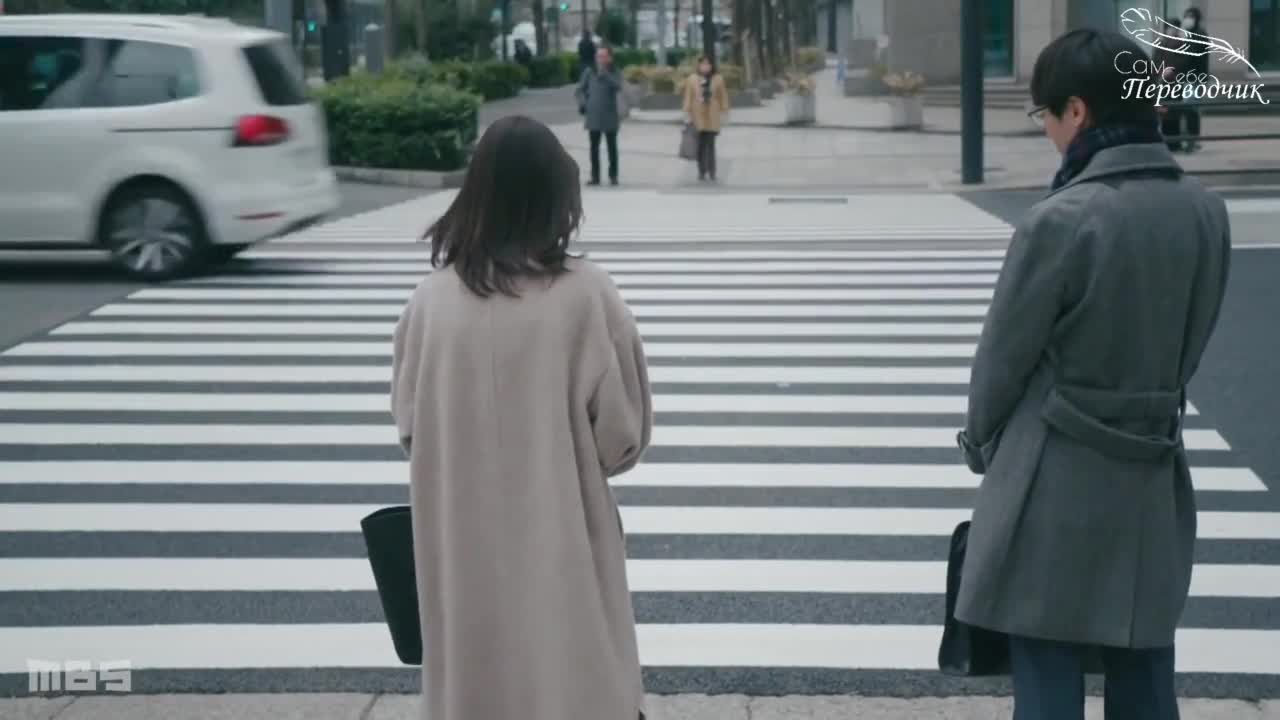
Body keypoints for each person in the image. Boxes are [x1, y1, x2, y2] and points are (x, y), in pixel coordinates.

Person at [955, 29, 1230, 720]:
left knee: (1046, 658)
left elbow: (1003, 360)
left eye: (1045, 115)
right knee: (1144, 658)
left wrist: (980, 443)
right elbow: (1193, 341)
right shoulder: (1205, 211)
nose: (1047, 131)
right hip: (1152, 467)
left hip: (1056, 469)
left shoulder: (1062, 219)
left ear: (1076, 111)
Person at [391, 115, 654, 720]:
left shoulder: (428, 303)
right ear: (556, 198)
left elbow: (411, 429)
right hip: (563, 540)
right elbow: (621, 438)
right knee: (575, 678)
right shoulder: (586, 296)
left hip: (460, 544)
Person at [575, 45, 623, 185]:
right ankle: (595, 176)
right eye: (598, 56)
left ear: (609, 58)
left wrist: (606, 75)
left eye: (603, 56)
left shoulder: (615, 71)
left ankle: (613, 176)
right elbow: (579, 90)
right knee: (594, 147)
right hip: (594, 114)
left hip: (609, 114)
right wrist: (583, 103)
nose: (600, 59)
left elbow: (618, 86)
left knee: (612, 147)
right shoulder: (589, 72)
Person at [681, 54, 730, 182]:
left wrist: (725, 112)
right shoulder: (692, 79)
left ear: (712, 66)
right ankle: (702, 171)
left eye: (708, 64)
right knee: (701, 145)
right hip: (697, 116)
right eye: (703, 64)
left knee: (711, 144)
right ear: (698, 65)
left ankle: (712, 171)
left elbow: (723, 96)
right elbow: (688, 96)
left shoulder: (718, 79)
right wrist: (686, 113)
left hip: (712, 115)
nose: (705, 66)